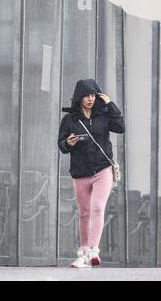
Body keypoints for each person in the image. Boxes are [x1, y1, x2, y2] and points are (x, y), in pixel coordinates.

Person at [58, 79, 125, 268]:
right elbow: (61, 145)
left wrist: (110, 104)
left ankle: (94, 250)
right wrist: (68, 143)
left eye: (93, 95)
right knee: (84, 212)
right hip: (80, 172)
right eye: (86, 95)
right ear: (79, 97)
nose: (90, 99)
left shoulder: (104, 115)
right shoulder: (70, 120)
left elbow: (121, 127)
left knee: (97, 208)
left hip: (103, 169)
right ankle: (85, 250)